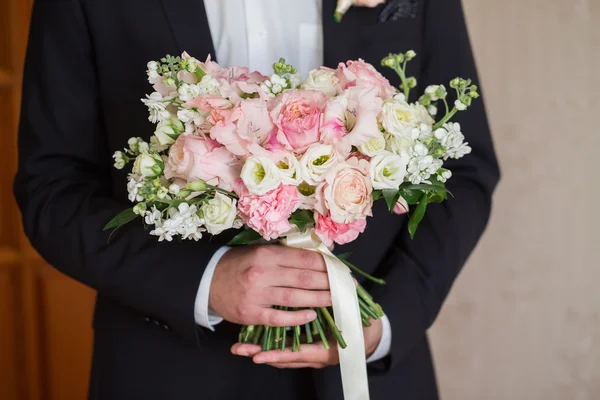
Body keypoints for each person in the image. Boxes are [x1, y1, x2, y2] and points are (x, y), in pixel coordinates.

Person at [14, 0, 500, 399]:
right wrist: (204, 281)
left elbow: (465, 171)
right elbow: (52, 186)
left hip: (370, 373)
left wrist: (386, 320)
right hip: (169, 367)